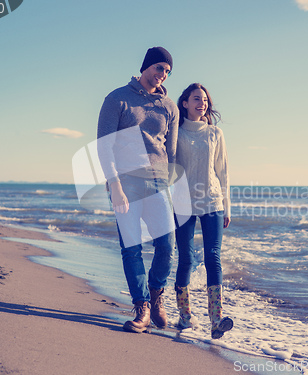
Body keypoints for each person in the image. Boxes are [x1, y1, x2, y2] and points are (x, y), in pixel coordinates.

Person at [97, 47, 179, 333]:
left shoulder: (169, 107)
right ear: (145, 67)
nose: (162, 74)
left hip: (158, 182)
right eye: (159, 68)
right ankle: (142, 307)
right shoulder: (117, 98)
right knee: (131, 248)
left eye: (167, 71)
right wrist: (115, 183)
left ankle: (157, 295)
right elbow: (104, 146)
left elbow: (171, 150)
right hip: (126, 182)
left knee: (167, 245)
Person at [174, 83, 233, 339]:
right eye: (197, 99)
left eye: (205, 100)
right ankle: (185, 315)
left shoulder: (215, 133)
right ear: (185, 103)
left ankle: (216, 320)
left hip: (212, 201)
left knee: (213, 258)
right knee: (186, 259)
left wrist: (227, 206)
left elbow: (223, 172)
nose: (203, 103)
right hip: (183, 203)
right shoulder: (175, 133)